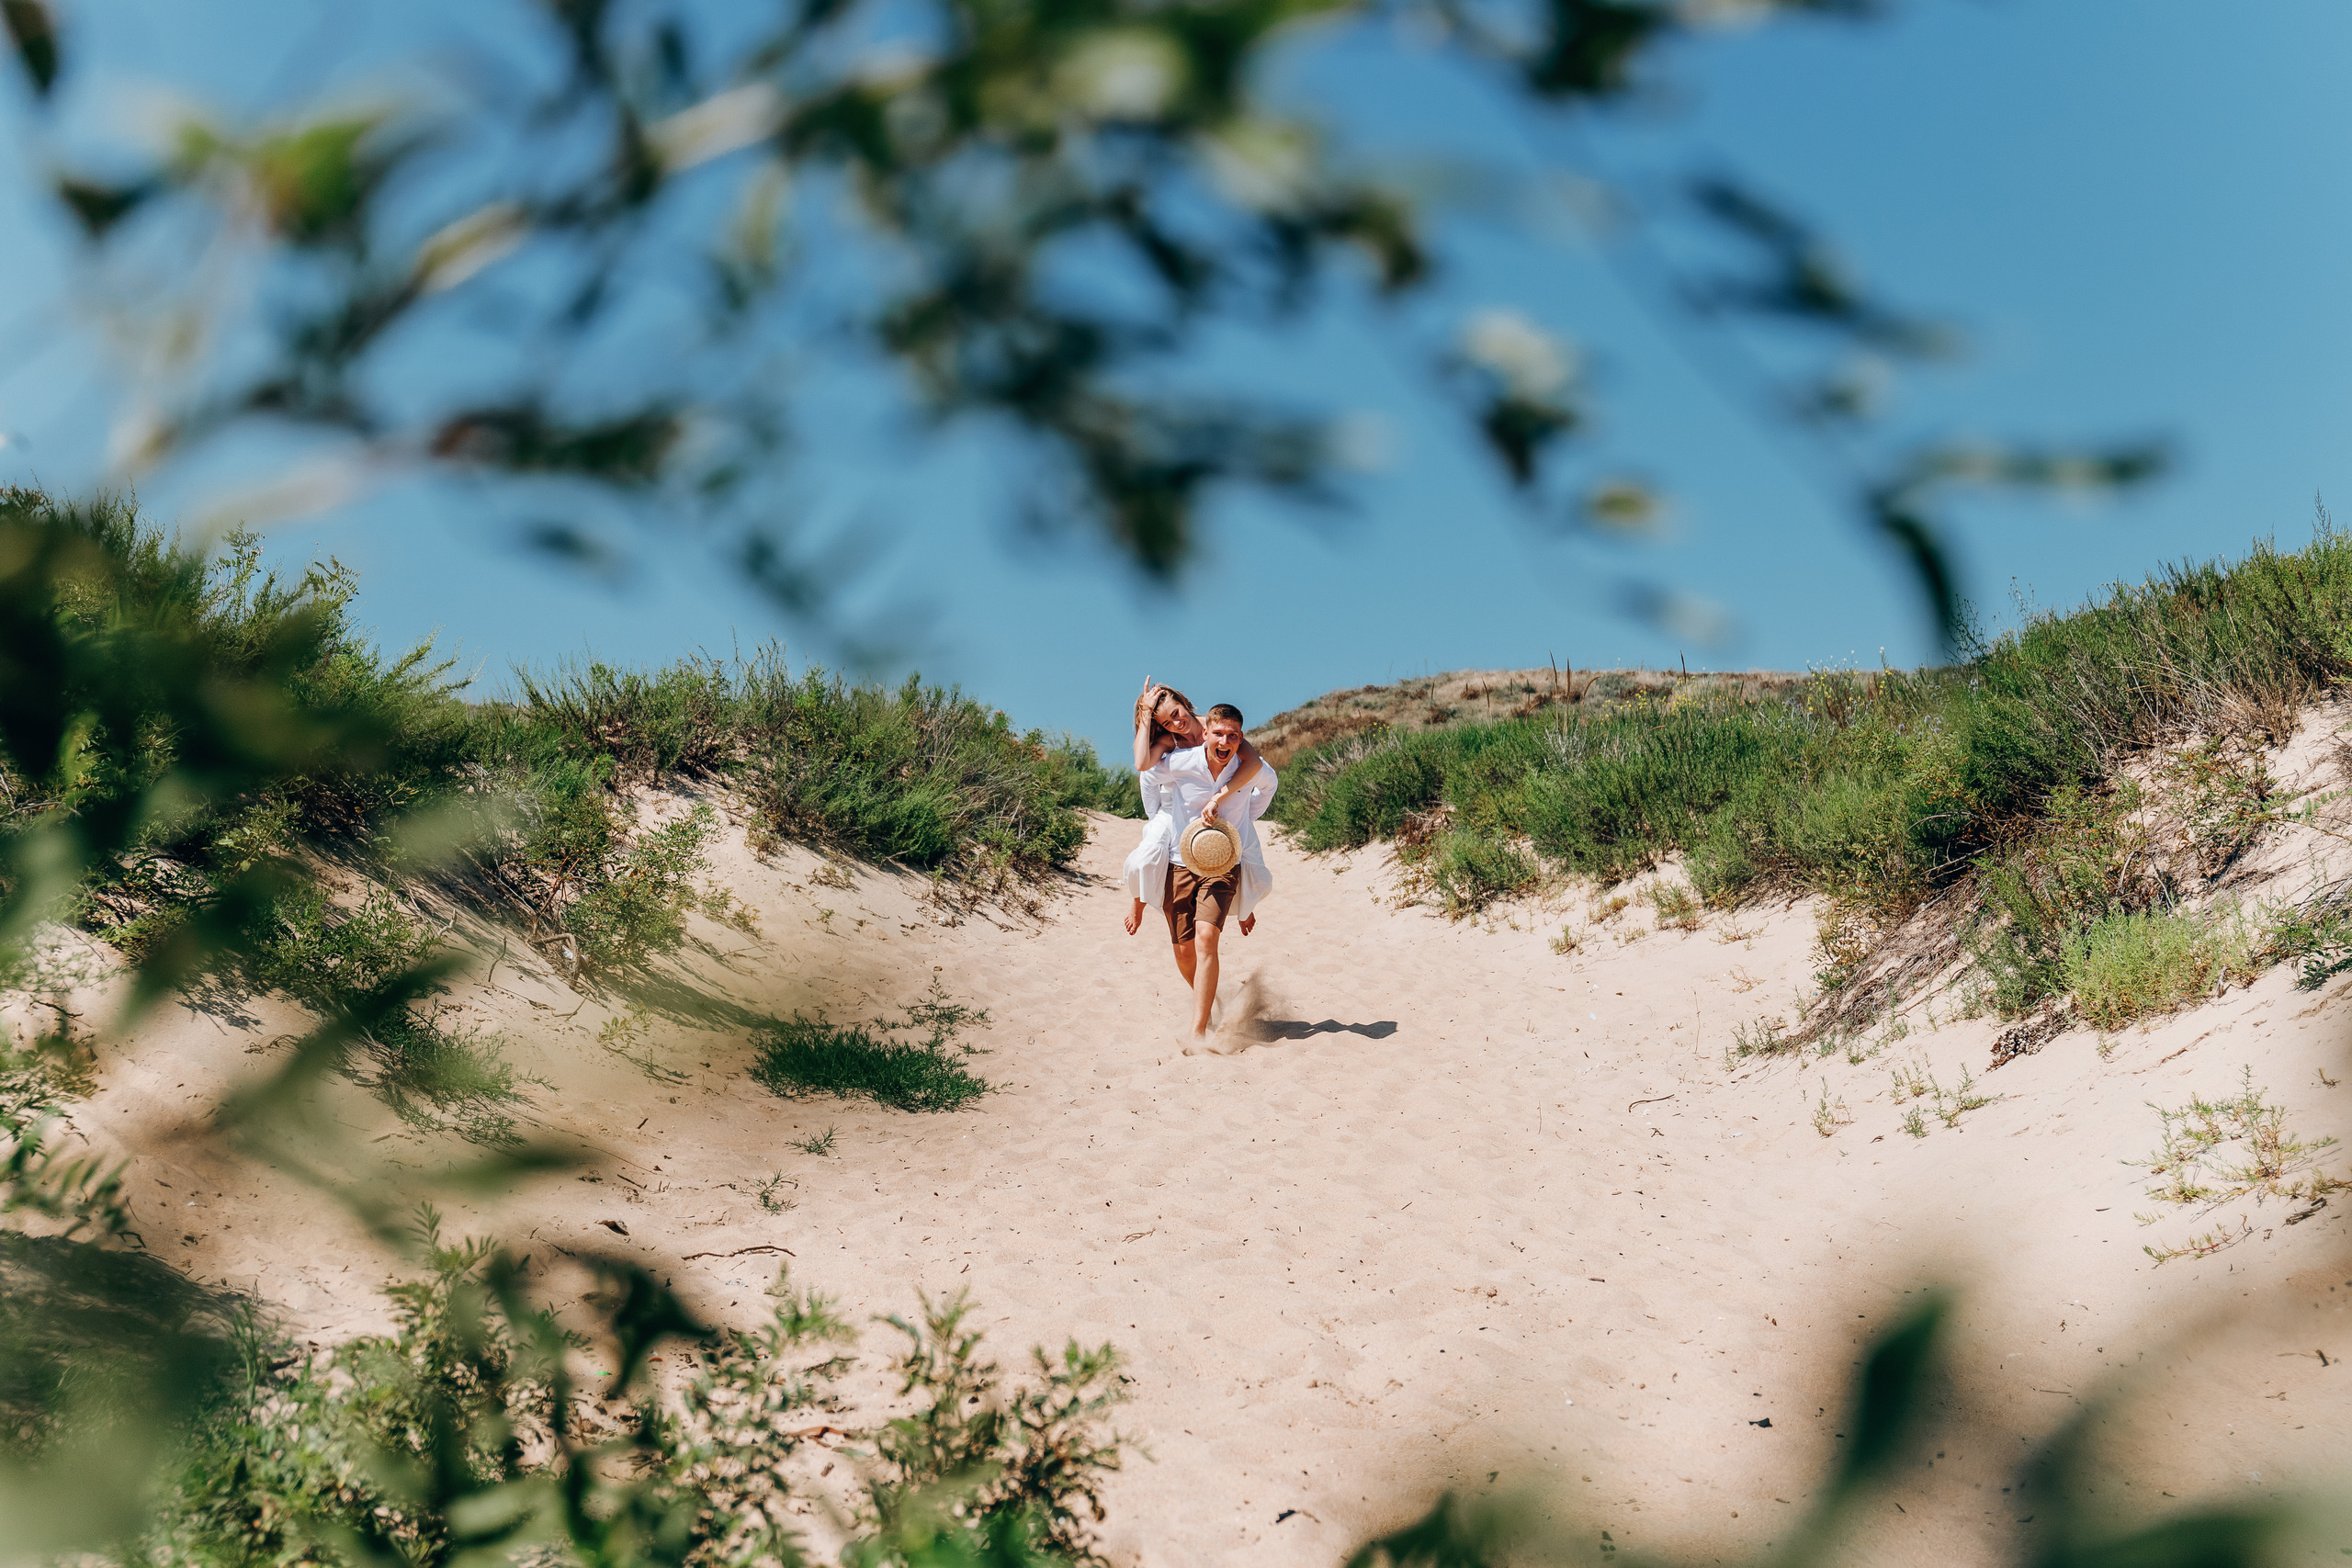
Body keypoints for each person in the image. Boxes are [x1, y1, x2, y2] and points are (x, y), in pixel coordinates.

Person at [1151, 702, 1277, 1045]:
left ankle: (1197, 1030)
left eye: (1232, 736)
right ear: (1205, 734)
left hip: (1224, 864)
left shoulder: (1248, 768)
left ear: (1240, 739)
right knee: (1183, 949)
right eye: (1218, 734)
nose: (1224, 742)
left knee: (1206, 938)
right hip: (1181, 860)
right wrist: (1155, 819)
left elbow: (1271, 784)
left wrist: (1248, 817)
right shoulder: (1182, 762)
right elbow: (1147, 772)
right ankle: (1209, 1002)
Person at [1120, 681, 1267, 941]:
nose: (1176, 724)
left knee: (1248, 854)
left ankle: (1245, 908)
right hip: (1176, 804)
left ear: (1184, 704)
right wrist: (1145, 714)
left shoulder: (1216, 728)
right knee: (1151, 848)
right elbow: (1142, 764)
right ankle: (1138, 900)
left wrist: (1235, 806)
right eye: (1167, 722)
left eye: (1177, 714)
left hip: (1225, 801)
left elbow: (1253, 763)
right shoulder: (1170, 739)